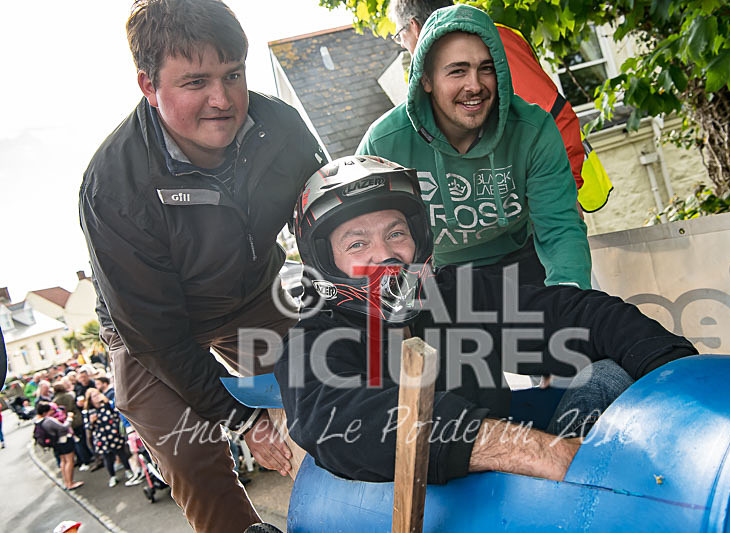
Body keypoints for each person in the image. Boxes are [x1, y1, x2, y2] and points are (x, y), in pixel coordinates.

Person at [275, 156, 697, 484]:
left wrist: (680, 371)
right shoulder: (310, 341)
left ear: (417, 239)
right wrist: (536, 452)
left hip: (514, 499)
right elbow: (339, 420)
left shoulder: (452, 296)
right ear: (325, 260)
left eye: (396, 233)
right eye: (357, 242)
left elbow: (576, 315)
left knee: (607, 371)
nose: (384, 253)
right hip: (416, 512)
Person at [78, 1, 326, 531]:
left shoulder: (279, 127)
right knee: (194, 458)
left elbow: (328, 229)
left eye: (233, 74)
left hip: (252, 295)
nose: (223, 100)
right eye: (195, 82)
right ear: (148, 85)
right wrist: (243, 421)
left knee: (333, 384)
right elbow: (158, 336)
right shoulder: (113, 187)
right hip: (150, 332)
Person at [358, 4, 591, 288]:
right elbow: (362, 238)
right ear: (426, 80)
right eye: (457, 71)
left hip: (524, 263)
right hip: (437, 277)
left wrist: (570, 305)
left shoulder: (533, 129)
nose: (475, 85)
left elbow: (560, 231)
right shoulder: (384, 143)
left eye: (486, 69)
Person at [85, 388, 138, 487]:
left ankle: (128, 470)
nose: (97, 397)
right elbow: (88, 427)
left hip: (114, 435)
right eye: (94, 396)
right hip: (102, 439)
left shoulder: (107, 405)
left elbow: (116, 415)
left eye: (98, 394)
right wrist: (91, 422)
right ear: (90, 399)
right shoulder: (88, 412)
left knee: (122, 454)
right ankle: (112, 476)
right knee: (108, 458)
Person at [36, 402, 84, 490]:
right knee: (69, 461)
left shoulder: (38, 421)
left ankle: (66, 482)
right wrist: (69, 418)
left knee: (63, 461)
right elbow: (63, 427)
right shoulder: (48, 420)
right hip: (64, 441)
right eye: (50, 410)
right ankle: (70, 483)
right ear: (45, 412)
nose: (52, 411)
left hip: (56, 443)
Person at [52, 381, 94, 471]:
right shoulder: (70, 395)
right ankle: (88, 456)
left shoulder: (55, 401)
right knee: (82, 439)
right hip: (77, 418)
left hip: (68, 421)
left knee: (77, 441)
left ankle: (84, 459)